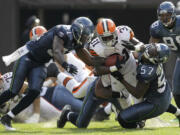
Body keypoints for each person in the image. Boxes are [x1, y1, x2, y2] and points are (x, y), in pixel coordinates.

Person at [0, 16, 97, 131]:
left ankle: (7, 118)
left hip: (58, 79)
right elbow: (56, 57)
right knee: (14, 90)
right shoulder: (60, 36)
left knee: (34, 91)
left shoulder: (67, 41)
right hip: (31, 62)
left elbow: (60, 63)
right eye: (37, 39)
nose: (40, 39)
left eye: (42, 37)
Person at [56, 18, 144, 128]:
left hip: (115, 87)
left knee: (125, 110)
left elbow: (141, 46)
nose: (108, 40)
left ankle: (111, 111)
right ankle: (67, 113)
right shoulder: (95, 47)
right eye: (104, 38)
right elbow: (97, 70)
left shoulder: (123, 34)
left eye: (109, 36)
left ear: (116, 32)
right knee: (79, 108)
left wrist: (135, 47)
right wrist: (114, 67)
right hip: (99, 85)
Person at [113, 43, 171, 128]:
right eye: (153, 48)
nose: (150, 50)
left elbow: (137, 94)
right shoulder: (149, 52)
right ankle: (177, 112)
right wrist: (134, 47)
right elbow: (142, 47)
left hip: (155, 104)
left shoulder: (148, 70)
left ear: (156, 59)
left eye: (154, 52)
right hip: (163, 93)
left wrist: (121, 79)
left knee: (122, 118)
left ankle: (139, 125)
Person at [149, 1, 180, 111]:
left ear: (173, 14)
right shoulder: (157, 27)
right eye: (162, 15)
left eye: (167, 15)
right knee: (176, 91)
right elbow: (151, 47)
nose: (165, 18)